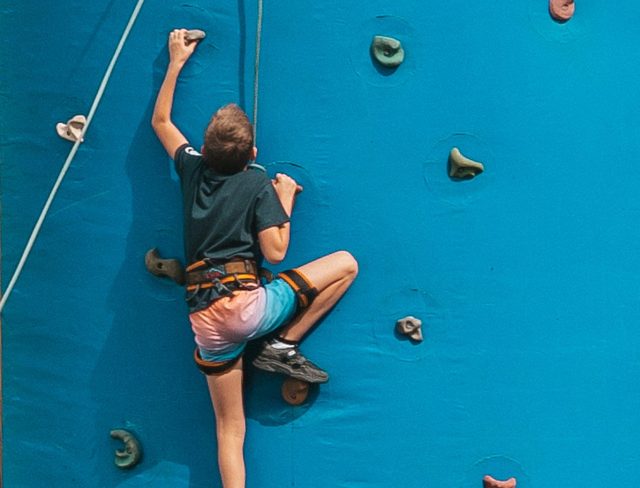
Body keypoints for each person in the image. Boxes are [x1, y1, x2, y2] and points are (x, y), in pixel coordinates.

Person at [151, 29, 358, 488]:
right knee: (346, 263)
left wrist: (176, 60)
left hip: (206, 320)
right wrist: (284, 196)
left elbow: (161, 122)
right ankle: (282, 345)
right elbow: (275, 251)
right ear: (254, 155)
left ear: (205, 150)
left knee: (229, 428)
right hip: (248, 307)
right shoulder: (256, 182)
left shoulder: (191, 168)